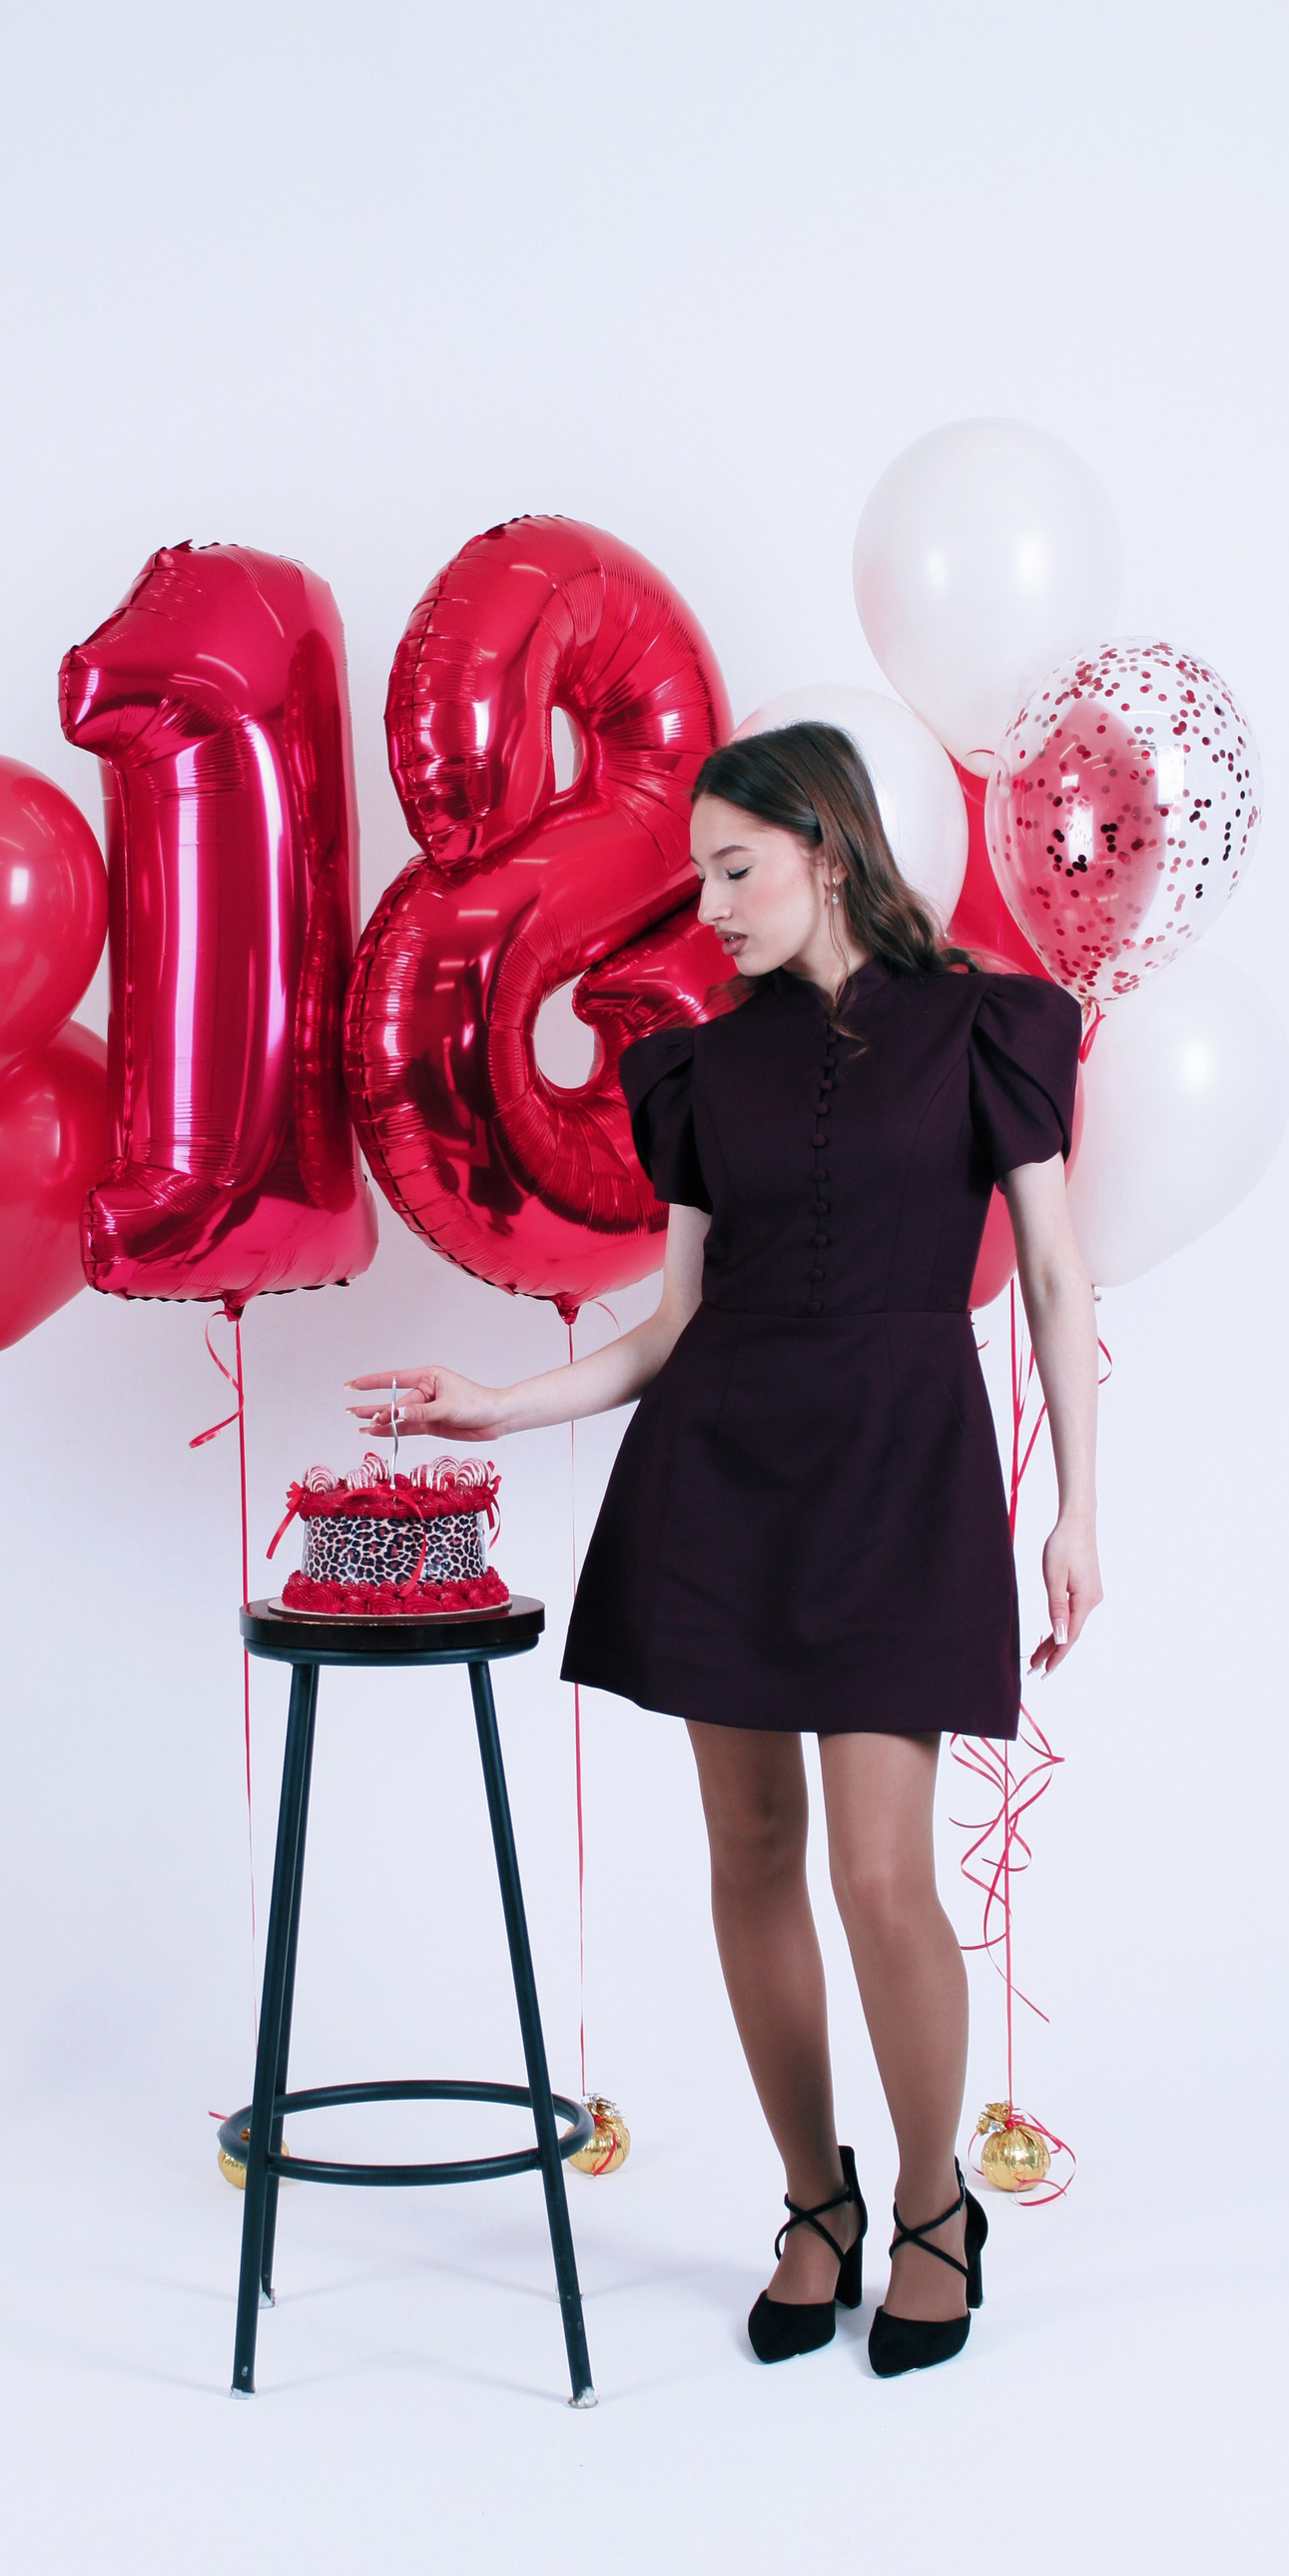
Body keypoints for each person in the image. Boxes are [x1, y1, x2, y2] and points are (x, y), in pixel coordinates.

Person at [347, 723, 1098, 2377]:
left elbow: (1054, 1277)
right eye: (701, 875)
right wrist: (497, 1408)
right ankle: (813, 2204)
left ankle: (932, 2210)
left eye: (735, 869)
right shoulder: (703, 1067)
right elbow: (676, 1324)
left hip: (902, 1472)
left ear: (827, 848)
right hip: (723, 1477)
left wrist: (1077, 1512)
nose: (710, 906)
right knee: (751, 1852)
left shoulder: (985, 1024)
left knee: (882, 1876)